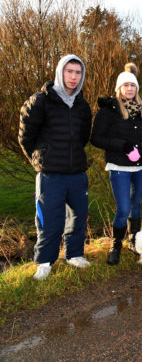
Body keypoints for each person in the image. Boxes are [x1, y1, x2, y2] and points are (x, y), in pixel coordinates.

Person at [18, 54, 92, 280]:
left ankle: (74, 255)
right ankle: (44, 262)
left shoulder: (82, 105)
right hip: (50, 175)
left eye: (78, 73)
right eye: (69, 71)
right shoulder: (40, 100)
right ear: (60, 72)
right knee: (49, 220)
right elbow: (25, 136)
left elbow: (83, 137)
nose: (73, 77)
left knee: (78, 216)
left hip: (77, 173)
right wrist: (39, 160)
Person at [90, 63, 142, 265]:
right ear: (119, 88)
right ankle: (116, 245)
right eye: (126, 85)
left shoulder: (140, 110)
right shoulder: (107, 111)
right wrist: (122, 145)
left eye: (133, 85)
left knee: (135, 205)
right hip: (119, 167)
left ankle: (134, 241)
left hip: (140, 167)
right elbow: (95, 138)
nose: (130, 89)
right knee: (123, 209)